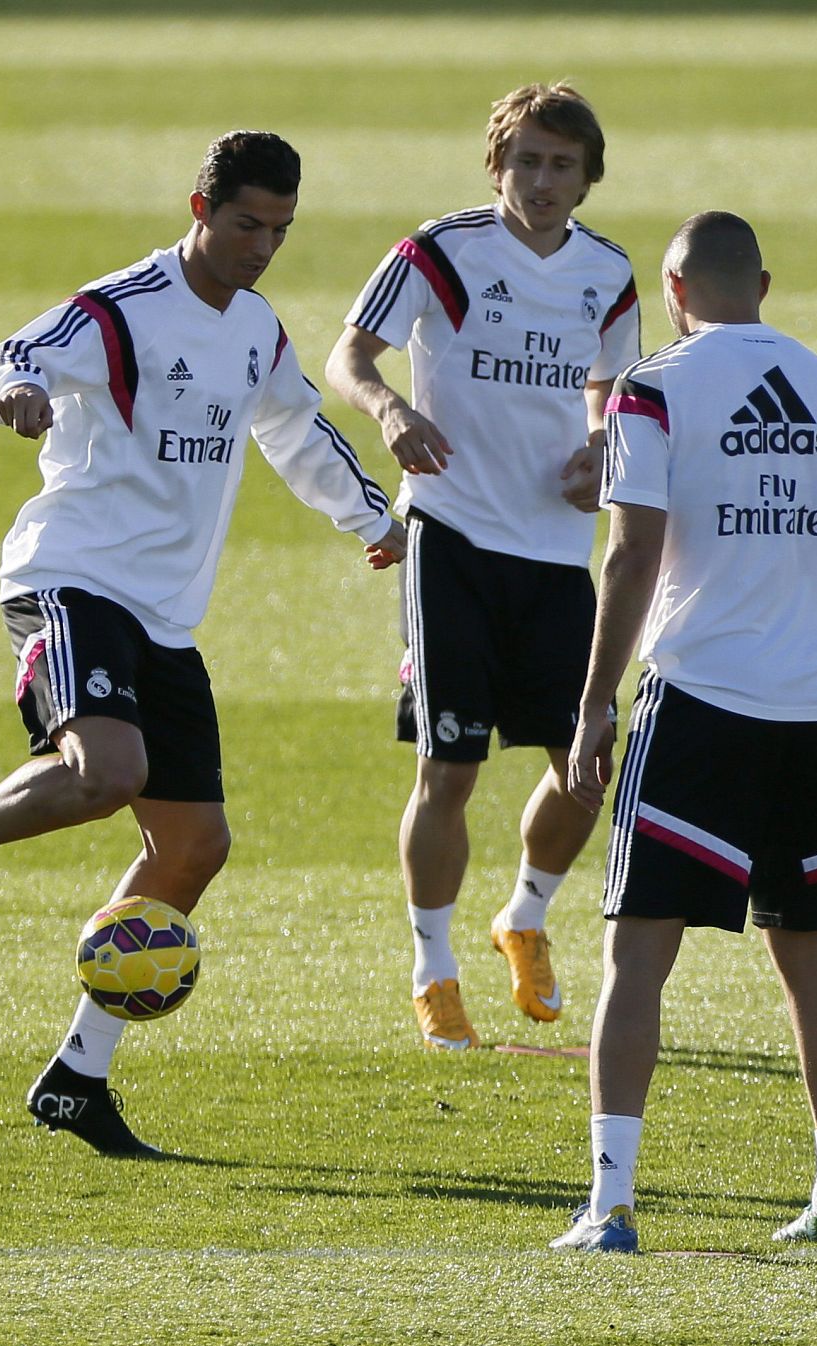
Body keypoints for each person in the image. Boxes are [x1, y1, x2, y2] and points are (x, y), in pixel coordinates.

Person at [0, 129, 405, 1158]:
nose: (261, 248)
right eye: (245, 224)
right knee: (109, 771)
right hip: (71, 577)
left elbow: (293, 427)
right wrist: (13, 394)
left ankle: (78, 1074)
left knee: (195, 846)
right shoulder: (119, 308)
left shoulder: (256, 329)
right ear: (199, 210)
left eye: (280, 231)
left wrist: (370, 517)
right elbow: (3, 360)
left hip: (163, 614)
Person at [549, 211, 817, 1253]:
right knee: (810, 959)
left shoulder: (653, 387)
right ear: (761, 283)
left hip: (698, 706)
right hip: (805, 720)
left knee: (636, 956)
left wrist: (593, 702)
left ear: (672, 290)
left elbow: (630, 555)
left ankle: (610, 1203)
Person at [325, 83, 639, 1050]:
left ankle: (525, 917)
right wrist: (391, 410)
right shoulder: (439, 251)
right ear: (496, 165)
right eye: (526, 160)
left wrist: (600, 446)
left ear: (586, 177)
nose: (541, 180)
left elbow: (610, 389)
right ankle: (433, 967)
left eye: (561, 165)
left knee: (586, 766)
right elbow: (348, 356)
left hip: (556, 551)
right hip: (451, 538)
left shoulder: (609, 274)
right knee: (448, 768)